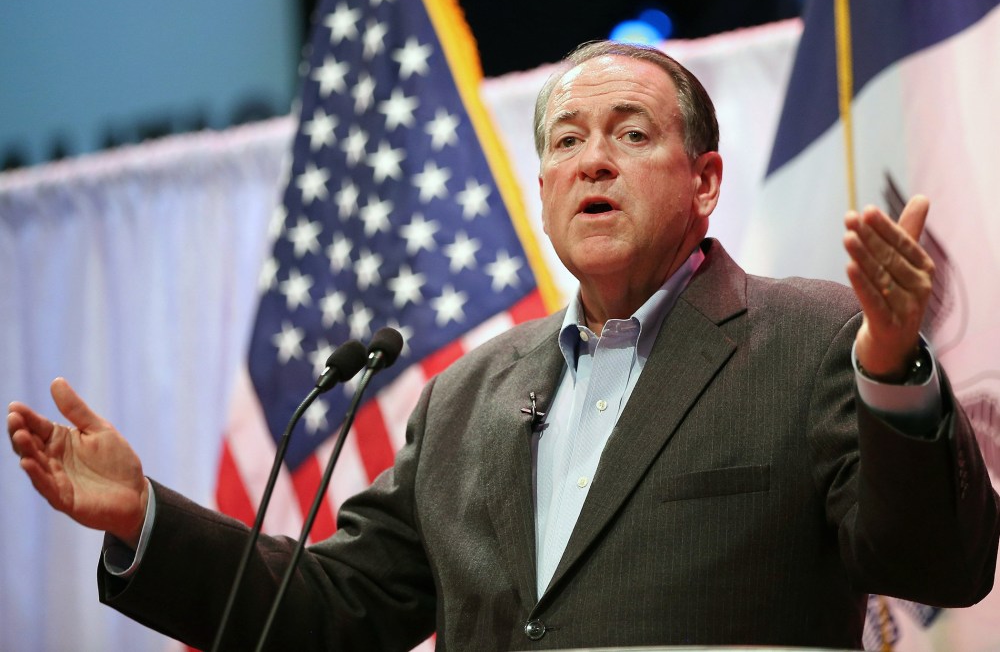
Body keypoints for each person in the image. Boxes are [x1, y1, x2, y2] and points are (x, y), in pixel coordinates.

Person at [8, 41, 999, 650]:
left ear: (704, 181)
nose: (591, 160)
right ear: (541, 188)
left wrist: (894, 369)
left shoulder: (810, 336)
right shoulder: (468, 396)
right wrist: (144, 518)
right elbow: (333, 610)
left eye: (630, 134)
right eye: (565, 142)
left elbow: (936, 567)